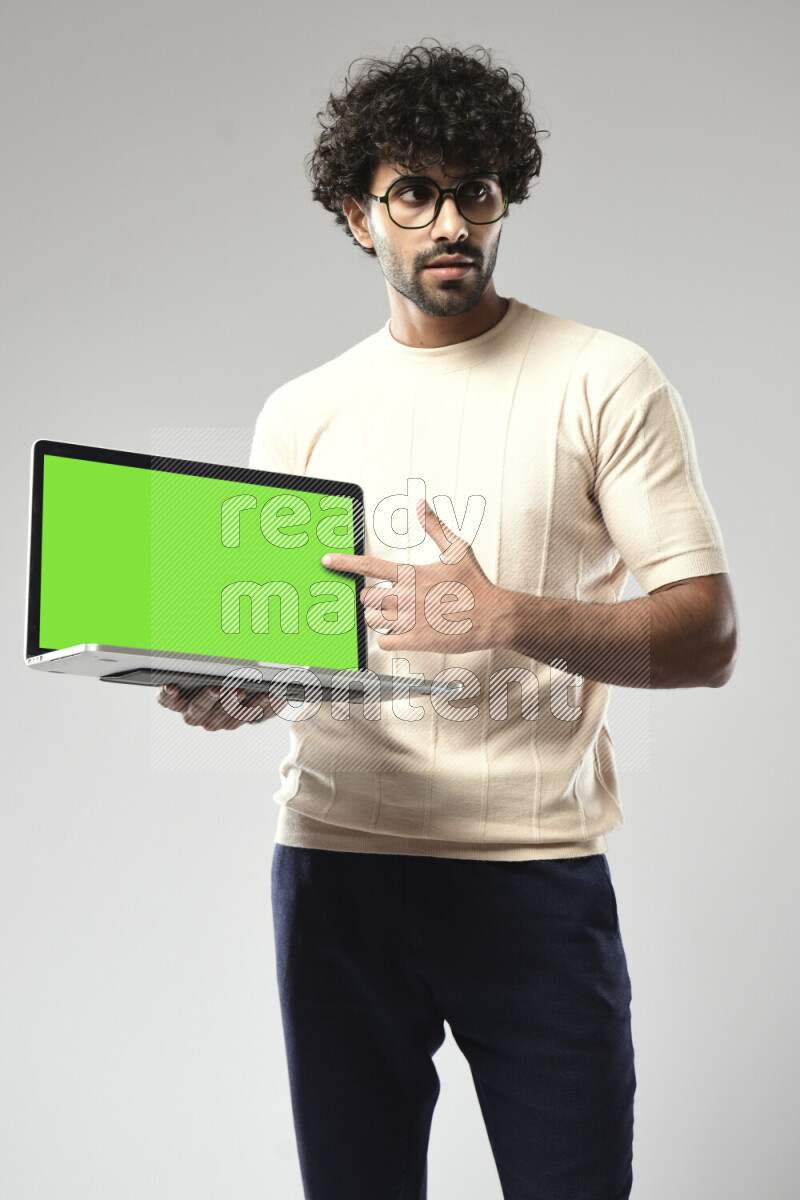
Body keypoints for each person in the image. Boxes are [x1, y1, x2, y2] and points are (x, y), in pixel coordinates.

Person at [159, 40, 738, 1200]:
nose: (449, 222)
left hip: (529, 879)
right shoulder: (304, 412)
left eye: (474, 189)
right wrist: (239, 688)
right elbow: (291, 647)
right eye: (412, 193)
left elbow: (704, 634)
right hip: (335, 875)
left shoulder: (601, 378)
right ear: (356, 215)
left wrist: (504, 614)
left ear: (503, 196)